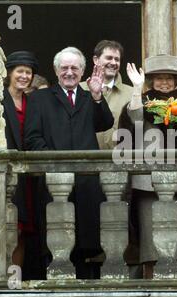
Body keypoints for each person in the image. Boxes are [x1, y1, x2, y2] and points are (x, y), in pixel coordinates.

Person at [24, 47, 114, 279]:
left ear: (83, 71)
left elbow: (104, 122)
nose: (69, 72)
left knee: (87, 242)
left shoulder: (89, 97)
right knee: (55, 240)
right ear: (56, 70)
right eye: (64, 68)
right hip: (53, 181)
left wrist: (97, 96)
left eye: (74, 68)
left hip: (86, 183)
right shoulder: (38, 98)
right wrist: (55, 163)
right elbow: (32, 138)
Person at [118, 54, 177, 279]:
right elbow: (135, 120)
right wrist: (137, 88)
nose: (165, 83)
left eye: (169, 78)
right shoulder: (142, 101)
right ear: (151, 81)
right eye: (159, 78)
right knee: (151, 250)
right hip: (147, 185)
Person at [0, 50, 49, 280]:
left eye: (28, 73)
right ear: (10, 73)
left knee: (24, 231)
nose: (24, 76)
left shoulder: (34, 102)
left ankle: (14, 281)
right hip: (5, 175)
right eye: (20, 71)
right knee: (8, 229)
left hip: (28, 178)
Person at [80, 40, 133, 150]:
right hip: (84, 159)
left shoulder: (131, 93)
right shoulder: (79, 89)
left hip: (119, 159)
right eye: (109, 58)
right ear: (96, 60)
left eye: (117, 59)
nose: (113, 63)